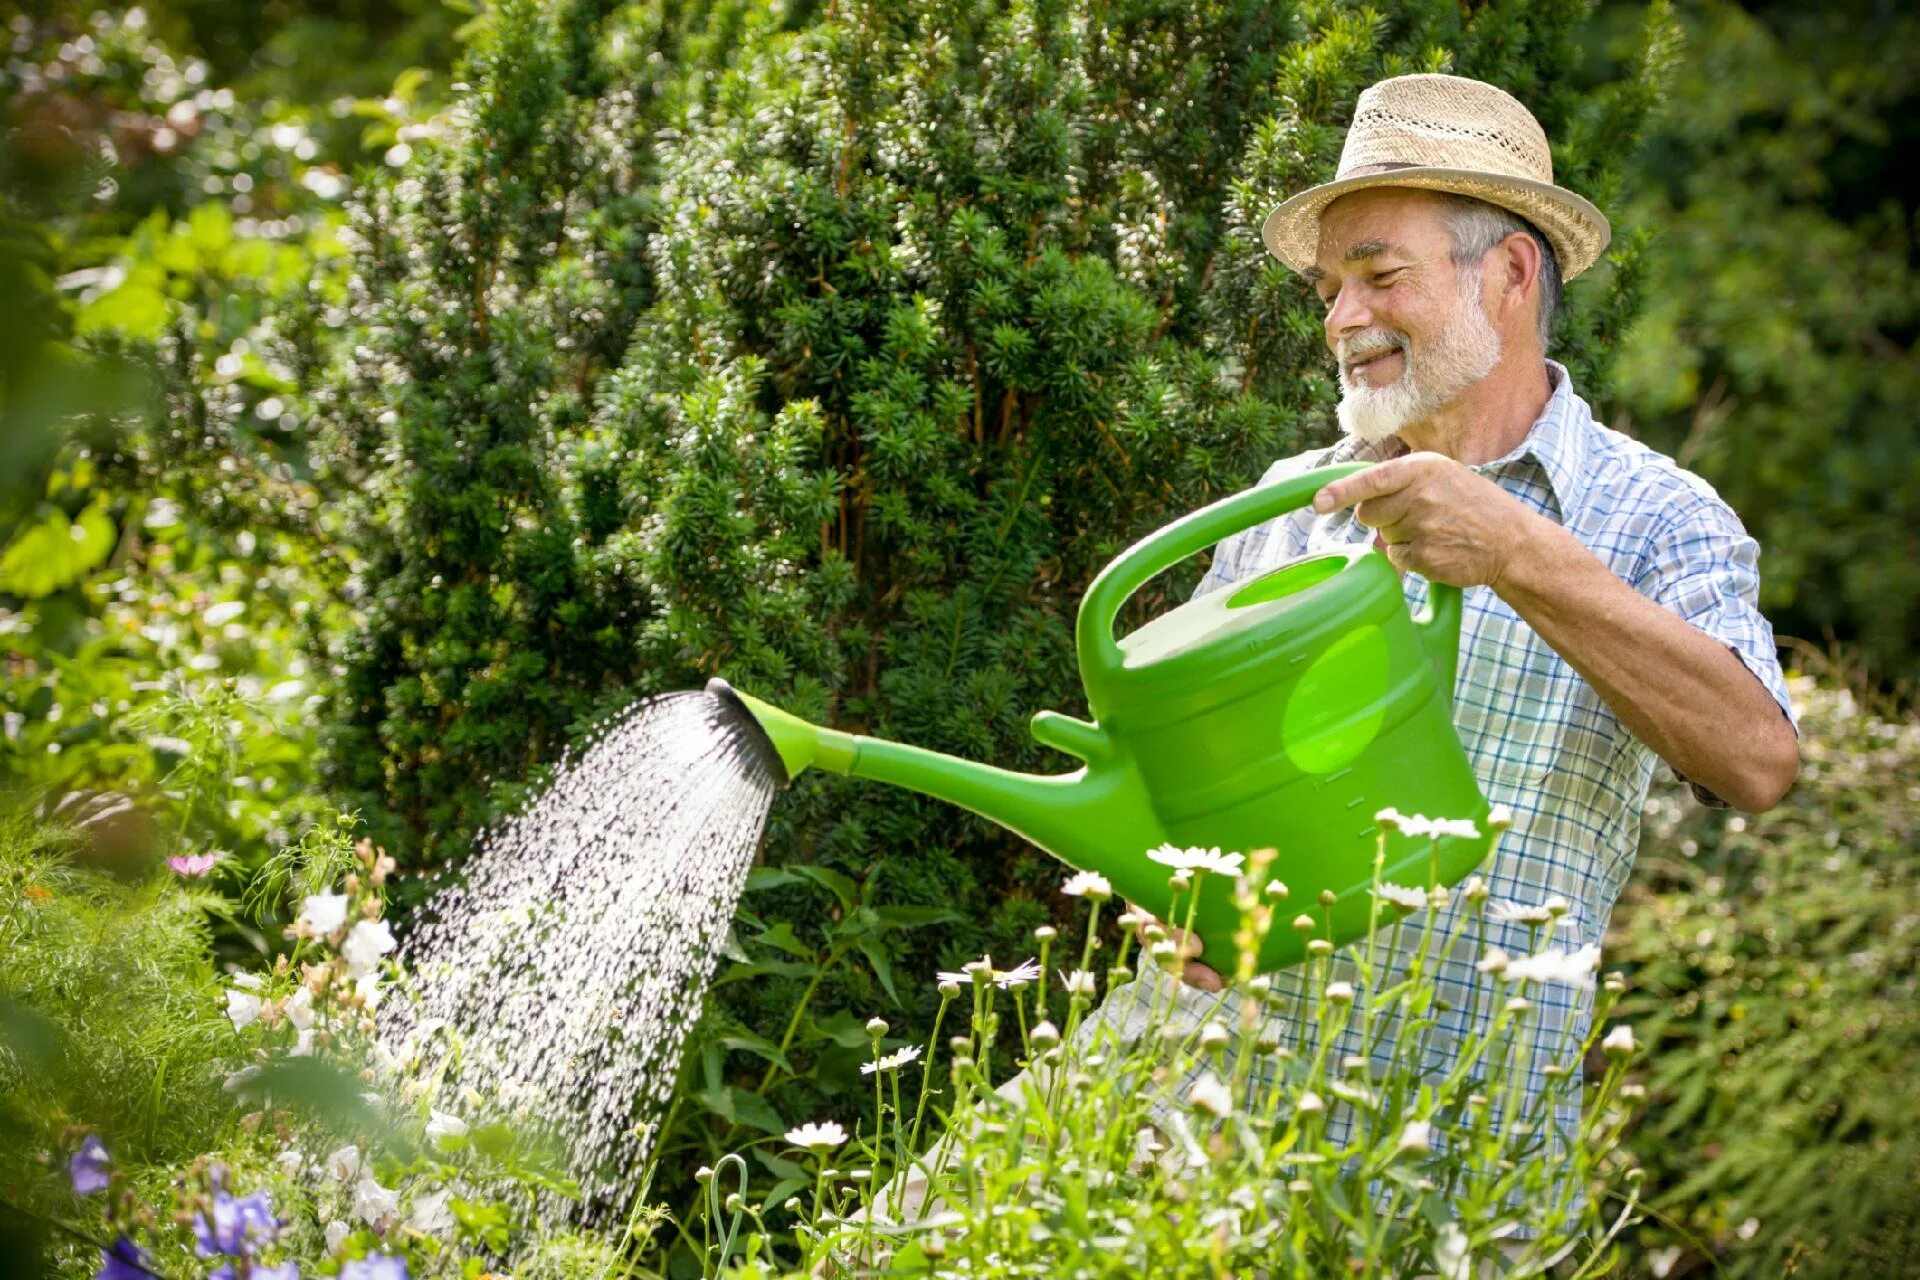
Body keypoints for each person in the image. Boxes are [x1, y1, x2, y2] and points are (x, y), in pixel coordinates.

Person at [859, 71, 1799, 1270]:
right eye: (1328, 286)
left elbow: (1758, 756)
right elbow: (1183, 815)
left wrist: (1517, 551)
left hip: (1464, 1166)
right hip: (1195, 1127)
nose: (1340, 313)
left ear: (1509, 276)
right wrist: (1167, 895)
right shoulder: (1285, 509)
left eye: (1379, 271)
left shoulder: (1655, 517)